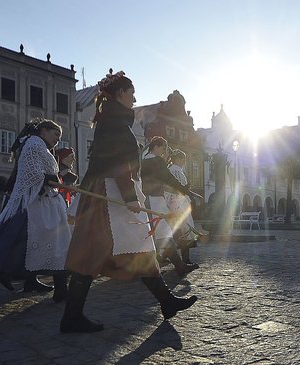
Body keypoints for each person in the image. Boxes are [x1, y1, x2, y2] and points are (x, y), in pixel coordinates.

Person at [61, 71, 197, 334]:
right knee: (95, 253)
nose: (134, 97)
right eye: (131, 92)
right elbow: (118, 162)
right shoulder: (114, 122)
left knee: (139, 246)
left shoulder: (112, 119)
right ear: (120, 94)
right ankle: (72, 316)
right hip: (112, 196)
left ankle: (166, 302)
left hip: (113, 194)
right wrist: (130, 196)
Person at [0, 118, 70, 309]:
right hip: (34, 208)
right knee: (19, 252)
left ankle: (60, 290)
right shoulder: (34, 145)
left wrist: (54, 180)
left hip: (45, 206)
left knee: (58, 248)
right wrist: (51, 179)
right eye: (56, 134)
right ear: (43, 131)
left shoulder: (40, 146)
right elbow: (32, 174)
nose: (58, 139)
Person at [141, 137, 199, 274]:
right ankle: (178, 266)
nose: (165, 151)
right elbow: (169, 179)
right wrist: (184, 189)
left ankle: (170, 263)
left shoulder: (143, 161)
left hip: (147, 199)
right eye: (164, 148)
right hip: (154, 200)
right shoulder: (156, 161)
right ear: (156, 147)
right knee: (162, 233)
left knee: (157, 234)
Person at [165, 149, 200, 264]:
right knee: (185, 231)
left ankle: (173, 258)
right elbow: (180, 189)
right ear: (178, 159)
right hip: (179, 204)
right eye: (183, 159)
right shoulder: (176, 171)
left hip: (173, 203)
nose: (184, 161)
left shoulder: (172, 170)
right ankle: (184, 260)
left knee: (176, 231)